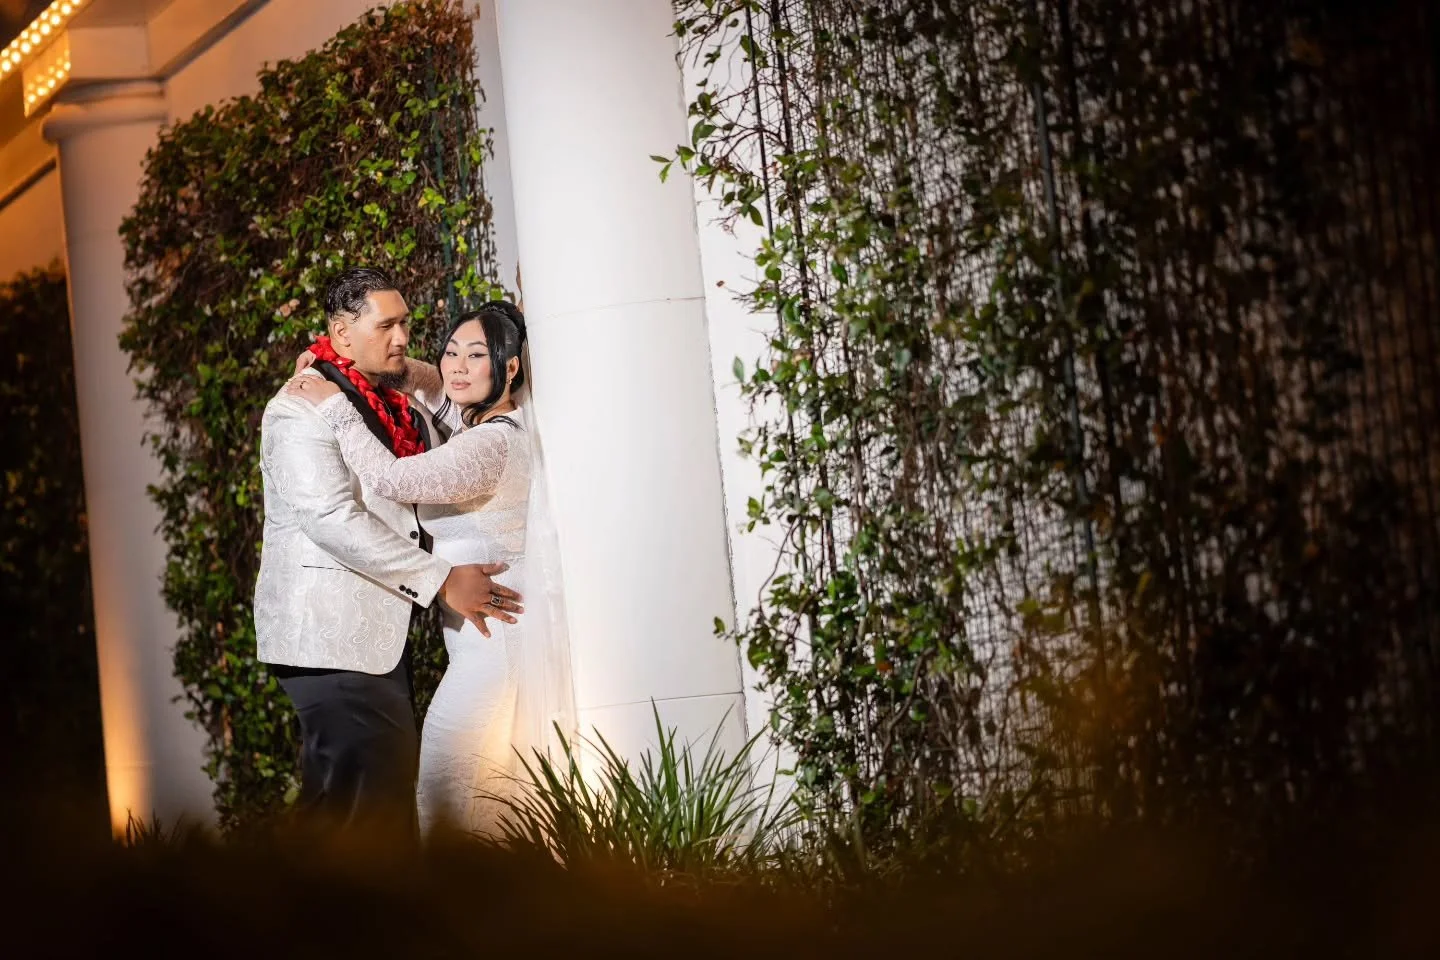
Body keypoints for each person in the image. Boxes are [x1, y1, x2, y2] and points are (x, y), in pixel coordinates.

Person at [287, 297, 574, 838]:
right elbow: (419, 379)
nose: (456, 367)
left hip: (495, 649)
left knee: (449, 800)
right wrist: (332, 358)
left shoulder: (490, 445)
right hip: (481, 646)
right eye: (450, 352)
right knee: (472, 806)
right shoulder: (477, 422)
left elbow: (394, 479)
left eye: (475, 356)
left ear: (510, 368)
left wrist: (333, 404)